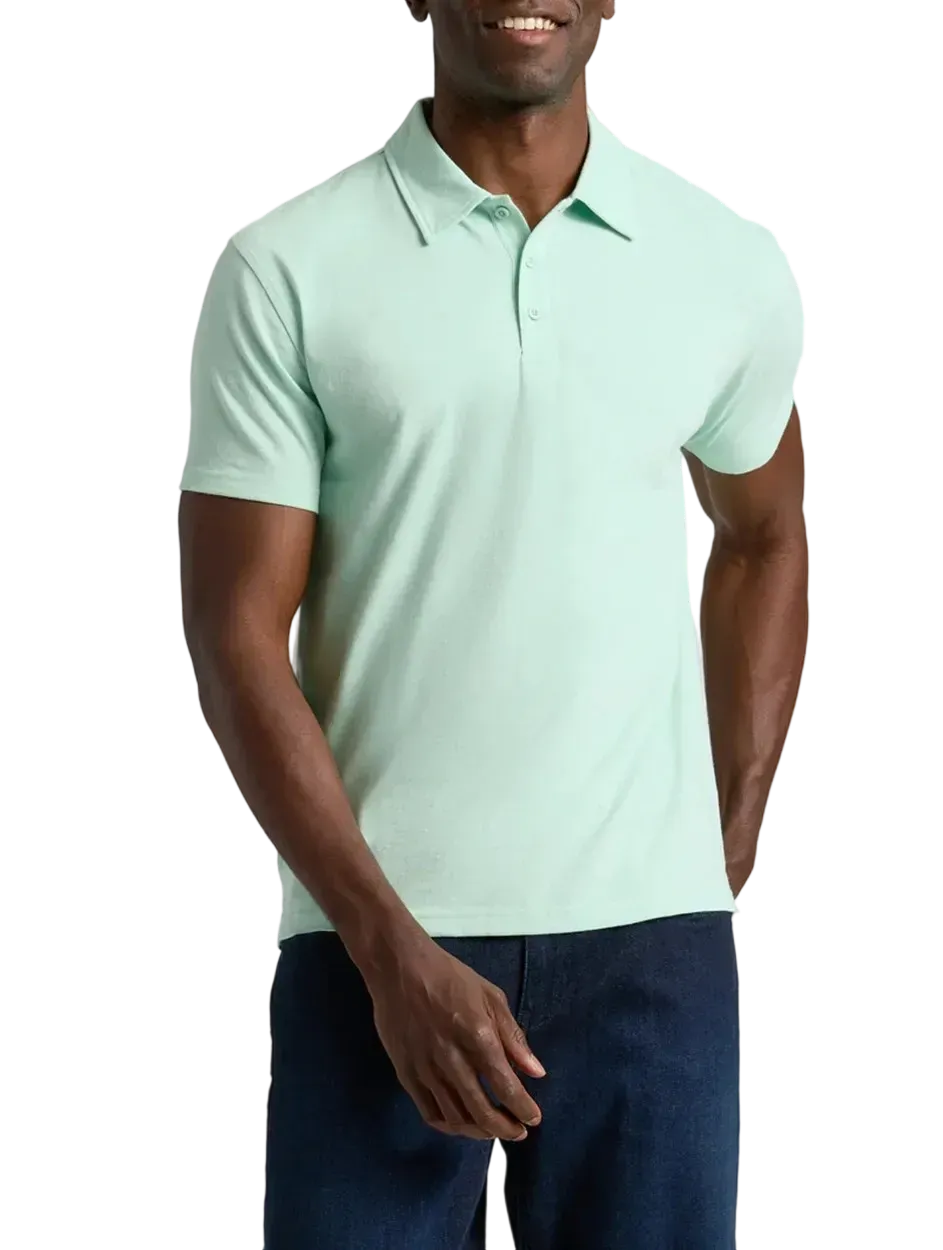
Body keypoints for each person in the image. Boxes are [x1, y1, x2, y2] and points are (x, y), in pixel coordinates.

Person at [179, 2, 808, 1247]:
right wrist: (382, 942)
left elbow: (764, 534)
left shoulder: (722, 254)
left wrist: (718, 852)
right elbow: (235, 628)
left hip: (655, 953)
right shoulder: (285, 263)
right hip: (374, 942)